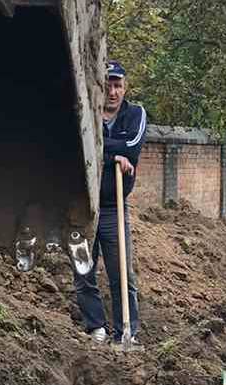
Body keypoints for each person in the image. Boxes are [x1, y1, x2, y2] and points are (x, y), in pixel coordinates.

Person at [76, 60, 147, 345]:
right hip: (82, 209)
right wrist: (113, 155)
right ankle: (96, 327)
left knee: (122, 273)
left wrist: (101, 150)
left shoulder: (136, 114)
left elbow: (132, 147)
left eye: (117, 85)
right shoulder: (85, 113)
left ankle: (126, 332)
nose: (113, 92)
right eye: (107, 86)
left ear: (125, 87)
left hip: (114, 207)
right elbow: (78, 149)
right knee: (83, 272)